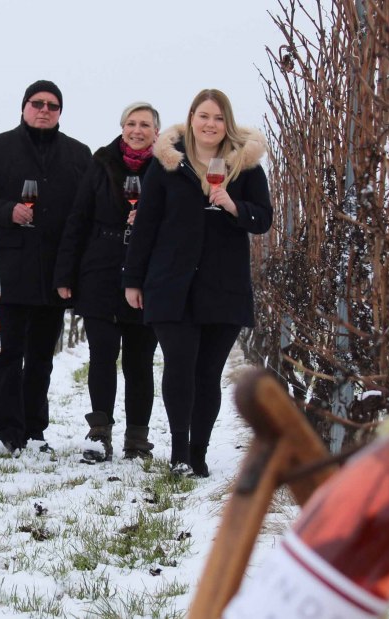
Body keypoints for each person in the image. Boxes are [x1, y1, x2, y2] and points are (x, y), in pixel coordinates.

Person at [121, 89, 272, 477]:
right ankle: (179, 453)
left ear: (228, 124)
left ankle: (199, 451)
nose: (210, 124)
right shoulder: (168, 166)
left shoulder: (247, 168)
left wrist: (233, 206)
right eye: (203, 116)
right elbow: (147, 226)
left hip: (224, 286)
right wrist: (133, 280)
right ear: (191, 119)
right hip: (171, 283)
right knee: (179, 367)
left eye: (218, 118)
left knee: (208, 373)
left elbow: (263, 219)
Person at [0, 79, 92, 455]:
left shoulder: (80, 155)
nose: (44, 110)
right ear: (23, 107)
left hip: (54, 274)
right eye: (37, 103)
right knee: (7, 355)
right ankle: (4, 432)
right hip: (9, 271)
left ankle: (34, 431)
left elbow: (85, 215)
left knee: (42, 358)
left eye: (52, 105)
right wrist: (5, 210)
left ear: (60, 111)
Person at [54, 102, 161, 462]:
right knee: (101, 355)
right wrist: (65, 274)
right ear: (122, 127)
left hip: (146, 275)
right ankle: (99, 434)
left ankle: (137, 438)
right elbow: (78, 218)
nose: (137, 130)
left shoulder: (167, 168)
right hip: (99, 270)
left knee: (140, 359)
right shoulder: (100, 163)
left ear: (156, 132)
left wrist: (148, 219)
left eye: (145, 124)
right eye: (131, 123)